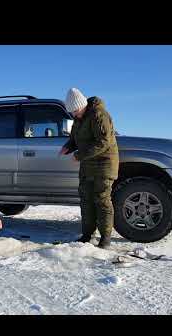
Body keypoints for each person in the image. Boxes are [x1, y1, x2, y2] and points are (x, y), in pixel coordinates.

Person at [59, 88, 119, 249]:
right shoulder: (78, 119)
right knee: (86, 200)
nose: (74, 115)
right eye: (72, 112)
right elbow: (74, 139)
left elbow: (103, 142)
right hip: (88, 165)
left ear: (83, 105)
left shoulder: (99, 115)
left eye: (76, 111)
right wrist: (68, 147)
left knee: (102, 200)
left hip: (104, 164)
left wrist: (79, 155)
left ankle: (105, 239)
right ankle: (87, 236)